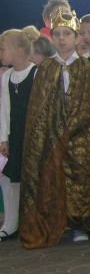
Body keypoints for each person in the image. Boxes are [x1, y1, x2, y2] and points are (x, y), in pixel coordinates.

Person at [20, 9, 90, 247]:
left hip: (79, 133)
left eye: (67, 34)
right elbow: (38, 105)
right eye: (57, 34)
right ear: (52, 37)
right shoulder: (45, 68)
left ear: (76, 37)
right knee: (51, 176)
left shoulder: (84, 66)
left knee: (79, 177)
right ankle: (54, 220)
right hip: (51, 134)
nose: (62, 38)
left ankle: (79, 224)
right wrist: (51, 129)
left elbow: (88, 101)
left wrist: (71, 126)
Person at [0, 30, 37, 242]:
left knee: (33, 180)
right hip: (14, 136)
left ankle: (34, 223)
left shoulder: (36, 73)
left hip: (32, 136)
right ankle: (11, 223)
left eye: (2, 49)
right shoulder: (6, 77)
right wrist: (3, 138)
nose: (0, 54)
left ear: (18, 50)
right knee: (11, 179)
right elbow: (4, 109)